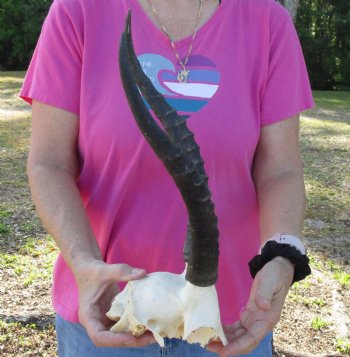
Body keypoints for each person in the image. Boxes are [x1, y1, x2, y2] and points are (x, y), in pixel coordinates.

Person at [20, 0, 314, 356]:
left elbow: (279, 169)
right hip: (111, 311)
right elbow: (49, 163)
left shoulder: (268, 22)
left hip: (226, 321)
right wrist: (84, 263)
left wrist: (281, 255)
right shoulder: (77, 11)